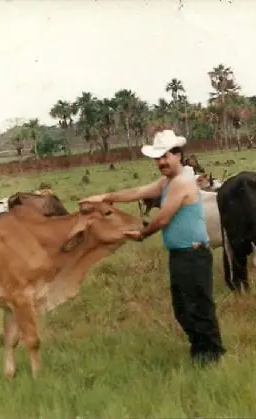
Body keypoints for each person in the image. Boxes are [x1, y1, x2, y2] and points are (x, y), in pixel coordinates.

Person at [79, 129, 226, 366]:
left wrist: (142, 234)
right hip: (180, 254)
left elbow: (163, 218)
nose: (161, 162)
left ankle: (212, 356)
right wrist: (105, 197)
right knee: (183, 309)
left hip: (193, 255)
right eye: (158, 158)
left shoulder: (181, 183)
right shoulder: (167, 181)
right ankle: (201, 351)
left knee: (199, 308)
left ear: (178, 155)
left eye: (165, 156)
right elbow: (139, 192)